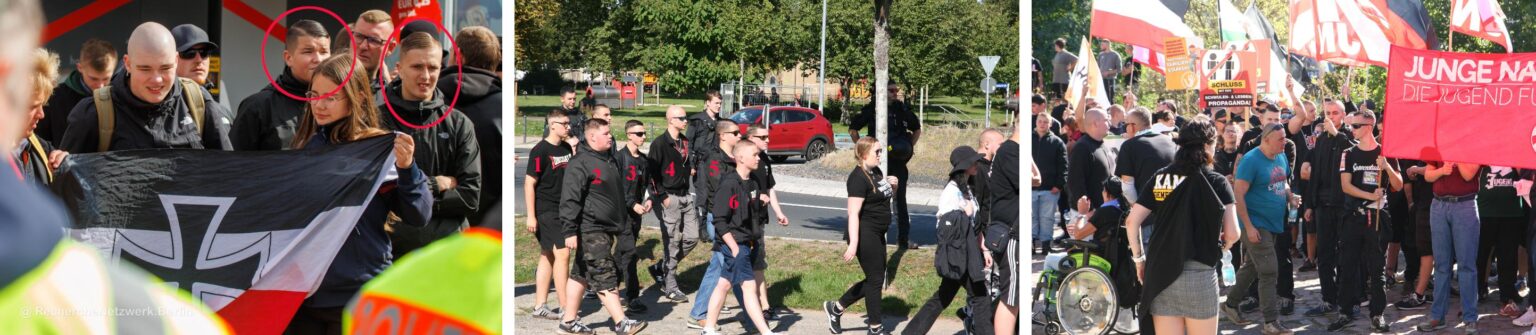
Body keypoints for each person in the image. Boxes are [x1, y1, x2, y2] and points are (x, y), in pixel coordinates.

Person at [283, 52, 433, 334]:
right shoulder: (304, 149)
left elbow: (419, 214)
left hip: (360, 294)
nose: (320, 105)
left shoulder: (379, 150)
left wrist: (407, 168)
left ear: (358, 98)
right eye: (314, 95)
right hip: (304, 297)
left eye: (331, 97)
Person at [1124, 120, 1240, 335]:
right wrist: (1225, 245)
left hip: (1160, 274)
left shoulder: (1161, 178)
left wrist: (1139, 260)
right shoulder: (1217, 181)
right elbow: (1233, 233)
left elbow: (1131, 222)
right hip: (1200, 274)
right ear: (1208, 145)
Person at [377, 32, 482, 258]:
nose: (425, 75)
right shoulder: (376, 122)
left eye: (433, 68)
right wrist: (436, 184)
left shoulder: (459, 124)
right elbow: (373, 197)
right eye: (417, 67)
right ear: (400, 68)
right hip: (391, 254)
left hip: (448, 253)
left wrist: (411, 196)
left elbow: (470, 197)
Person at [59, 22, 233, 153]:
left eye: (165, 68)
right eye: (145, 69)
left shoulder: (199, 104)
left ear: (176, 61)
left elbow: (229, 176)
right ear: (128, 64)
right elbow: (69, 187)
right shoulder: (95, 113)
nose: (157, 80)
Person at [557, 119, 647, 335]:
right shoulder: (581, 162)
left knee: (581, 274)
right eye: (606, 133)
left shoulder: (608, 159)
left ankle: (568, 322)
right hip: (591, 228)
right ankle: (621, 322)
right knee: (604, 273)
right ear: (592, 137)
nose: (610, 136)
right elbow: (570, 199)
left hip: (608, 228)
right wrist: (569, 231)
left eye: (610, 133)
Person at [902, 146, 996, 335]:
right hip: (960, 254)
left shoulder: (968, 188)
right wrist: (964, 213)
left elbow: (974, 226)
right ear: (965, 166)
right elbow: (945, 228)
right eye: (973, 162)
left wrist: (984, 249)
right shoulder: (952, 192)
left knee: (943, 297)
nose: (977, 164)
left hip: (968, 252)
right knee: (981, 298)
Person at [1218, 123, 1296, 335]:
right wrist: (1249, 227)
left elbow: (1284, 181)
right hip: (1255, 224)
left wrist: (1290, 196)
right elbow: (1238, 194)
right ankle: (1270, 322)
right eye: (1280, 139)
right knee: (1269, 270)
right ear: (1266, 139)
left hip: (1274, 223)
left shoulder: (1280, 156)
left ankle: (1230, 305)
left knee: (1252, 266)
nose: (1285, 143)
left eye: (1284, 138)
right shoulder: (1250, 161)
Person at [1327, 111, 1400, 332]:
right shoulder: (1348, 154)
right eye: (1351, 126)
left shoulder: (1386, 153)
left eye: (1356, 126)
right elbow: (1345, 186)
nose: (1352, 130)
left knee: (1377, 268)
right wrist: (1371, 196)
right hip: (1353, 217)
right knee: (1347, 264)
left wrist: (1386, 167)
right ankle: (1345, 311)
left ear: (1369, 126)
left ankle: (1377, 314)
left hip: (1378, 218)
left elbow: (1397, 184)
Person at [700, 141, 780, 335]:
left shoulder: (752, 182)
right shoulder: (728, 184)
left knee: (724, 284)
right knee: (749, 287)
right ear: (741, 158)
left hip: (747, 241)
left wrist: (759, 200)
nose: (758, 158)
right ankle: (765, 332)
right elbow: (719, 220)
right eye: (754, 154)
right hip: (735, 243)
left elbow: (747, 210)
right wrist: (734, 247)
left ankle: (708, 328)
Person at [824, 137, 900, 335]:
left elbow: (883, 199)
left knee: (874, 279)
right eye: (877, 152)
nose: (880, 155)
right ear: (865, 154)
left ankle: (836, 308)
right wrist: (853, 243)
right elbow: (853, 213)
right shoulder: (857, 178)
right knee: (875, 281)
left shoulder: (876, 172)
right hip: (864, 233)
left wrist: (893, 186)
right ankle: (875, 328)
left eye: (881, 151)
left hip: (877, 233)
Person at [232, 19, 332, 151]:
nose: (318, 59)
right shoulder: (258, 107)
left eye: (324, 52)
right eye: (308, 51)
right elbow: (233, 165)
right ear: (288, 58)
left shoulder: (342, 103)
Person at [686, 120, 747, 327]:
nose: (740, 136)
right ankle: (752, 316)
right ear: (723, 136)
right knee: (735, 265)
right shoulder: (714, 159)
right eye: (735, 133)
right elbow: (719, 188)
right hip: (718, 219)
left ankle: (699, 313)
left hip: (732, 219)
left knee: (717, 268)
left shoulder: (733, 158)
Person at [440, 26, 502, 225]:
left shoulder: (430, 101)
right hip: (489, 230)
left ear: (459, 56)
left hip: (436, 224)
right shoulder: (502, 107)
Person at [848, 85, 922, 249]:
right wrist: (864, 152)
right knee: (873, 199)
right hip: (877, 163)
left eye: (896, 90)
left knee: (900, 200)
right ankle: (862, 236)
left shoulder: (902, 109)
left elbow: (917, 129)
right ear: (882, 91)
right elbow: (853, 129)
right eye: (891, 90)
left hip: (898, 163)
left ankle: (903, 239)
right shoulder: (872, 109)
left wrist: (908, 148)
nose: (896, 93)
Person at [1301, 100, 1355, 318]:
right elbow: (1315, 175)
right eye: (1328, 113)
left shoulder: (1349, 136)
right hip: (1323, 205)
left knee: (1345, 255)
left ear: (1343, 115)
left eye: (1335, 113)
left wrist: (1338, 134)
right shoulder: (1321, 139)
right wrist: (1310, 205)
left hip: (1344, 206)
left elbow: (1353, 153)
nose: (1331, 116)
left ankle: (1346, 301)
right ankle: (1327, 299)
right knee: (1324, 255)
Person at [1417, 159, 1484, 333]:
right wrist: (1442, 171)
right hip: (1438, 205)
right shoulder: (1438, 143)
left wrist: (1455, 156)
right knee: (1441, 265)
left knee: (1466, 265)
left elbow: (1468, 175)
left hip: (1465, 205)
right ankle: (1437, 317)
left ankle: (1470, 318)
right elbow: (1429, 176)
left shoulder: (1473, 144)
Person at [1066, 177, 1138, 327]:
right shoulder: (1125, 209)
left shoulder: (1105, 211)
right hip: (1118, 257)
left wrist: (1082, 213)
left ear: (1106, 193)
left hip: (1099, 257)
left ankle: (1055, 310)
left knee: (1051, 262)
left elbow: (1078, 234)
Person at [526, 109, 573, 320]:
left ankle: (540, 306)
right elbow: (529, 183)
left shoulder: (566, 148)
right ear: (552, 124)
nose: (568, 126)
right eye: (564, 123)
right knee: (563, 253)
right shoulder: (539, 150)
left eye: (568, 123)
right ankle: (565, 306)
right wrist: (530, 215)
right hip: (546, 209)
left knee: (548, 254)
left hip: (564, 209)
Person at [646, 106, 696, 304]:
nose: (686, 121)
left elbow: (685, 163)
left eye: (686, 117)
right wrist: (662, 196)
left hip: (686, 196)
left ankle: (663, 266)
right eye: (682, 118)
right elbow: (652, 174)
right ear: (671, 120)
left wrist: (690, 170)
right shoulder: (660, 143)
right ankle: (670, 285)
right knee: (672, 242)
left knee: (692, 237)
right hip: (670, 198)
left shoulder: (685, 141)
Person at [745, 123, 791, 319]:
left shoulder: (764, 159)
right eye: (763, 137)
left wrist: (779, 212)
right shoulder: (743, 160)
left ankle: (764, 305)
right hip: (744, 220)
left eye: (767, 136)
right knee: (728, 267)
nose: (768, 140)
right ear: (751, 139)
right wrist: (754, 199)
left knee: (758, 263)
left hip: (759, 219)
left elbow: (769, 188)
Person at [38, 38, 114, 145]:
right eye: (93, 79)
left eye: (106, 79)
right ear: (80, 67)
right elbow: (41, 140)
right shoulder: (55, 98)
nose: (100, 86)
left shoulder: (119, 98)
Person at [1476, 163, 1527, 318]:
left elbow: (1525, 179)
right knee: (1481, 255)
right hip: (1484, 211)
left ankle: (1507, 295)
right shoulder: (1483, 149)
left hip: (1510, 214)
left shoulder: (1515, 150)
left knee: (1508, 258)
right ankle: (1478, 291)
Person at [1115, 107, 1175, 238]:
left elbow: (1127, 187)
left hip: (1147, 219)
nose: (1125, 129)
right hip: (1174, 215)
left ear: (1132, 126)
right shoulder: (1169, 142)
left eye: (1126, 124)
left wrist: (1137, 211)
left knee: (1149, 257)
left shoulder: (1129, 146)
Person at [15, 48, 67, 186]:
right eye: (32, 107)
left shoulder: (38, 146)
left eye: (43, 105)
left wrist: (65, 167)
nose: (41, 114)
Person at [616, 120, 653, 314]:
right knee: (630, 253)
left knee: (621, 253)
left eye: (644, 133)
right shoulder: (619, 158)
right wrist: (632, 204)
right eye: (639, 133)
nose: (643, 136)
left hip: (637, 215)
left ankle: (604, 283)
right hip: (621, 214)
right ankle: (631, 298)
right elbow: (617, 188)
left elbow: (647, 184)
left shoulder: (643, 160)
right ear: (628, 134)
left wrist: (648, 200)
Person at [990, 122, 1023, 335]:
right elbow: (1026, 182)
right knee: (1011, 297)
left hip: (1015, 231)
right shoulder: (1010, 151)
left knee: (1014, 296)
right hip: (1010, 233)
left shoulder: (1016, 151)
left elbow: (1037, 179)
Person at [1033, 113, 1067, 254]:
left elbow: (1064, 165)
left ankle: (1046, 245)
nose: (1042, 124)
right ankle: (1032, 244)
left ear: (1050, 124)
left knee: (1047, 218)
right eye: (1040, 121)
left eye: (1045, 122)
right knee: (1031, 217)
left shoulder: (1057, 142)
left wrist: (1059, 185)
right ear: (1036, 122)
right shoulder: (1027, 139)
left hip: (1050, 188)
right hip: (1030, 187)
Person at [350, 10, 396, 92]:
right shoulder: (327, 82)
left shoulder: (390, 97)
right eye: (359, 36)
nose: (363, 46)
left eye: (374, 40)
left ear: (390, 48)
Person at [170, 24, 218, 99]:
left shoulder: (218, 109)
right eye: (189, 53)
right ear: (172, 59)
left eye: (204, 53)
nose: (199, 60)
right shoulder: (158, 106)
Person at [1097, 39, 1121, 103]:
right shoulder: (1100, 55)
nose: (1101, 46)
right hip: (1101, 80)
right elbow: (1097, 67)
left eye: (1102, 45)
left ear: (1107, 45)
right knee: (1100, 99)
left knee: (1110, 98)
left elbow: (1119, 69)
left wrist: (1108, 72)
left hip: (1110, 80)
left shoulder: (1115, 55)